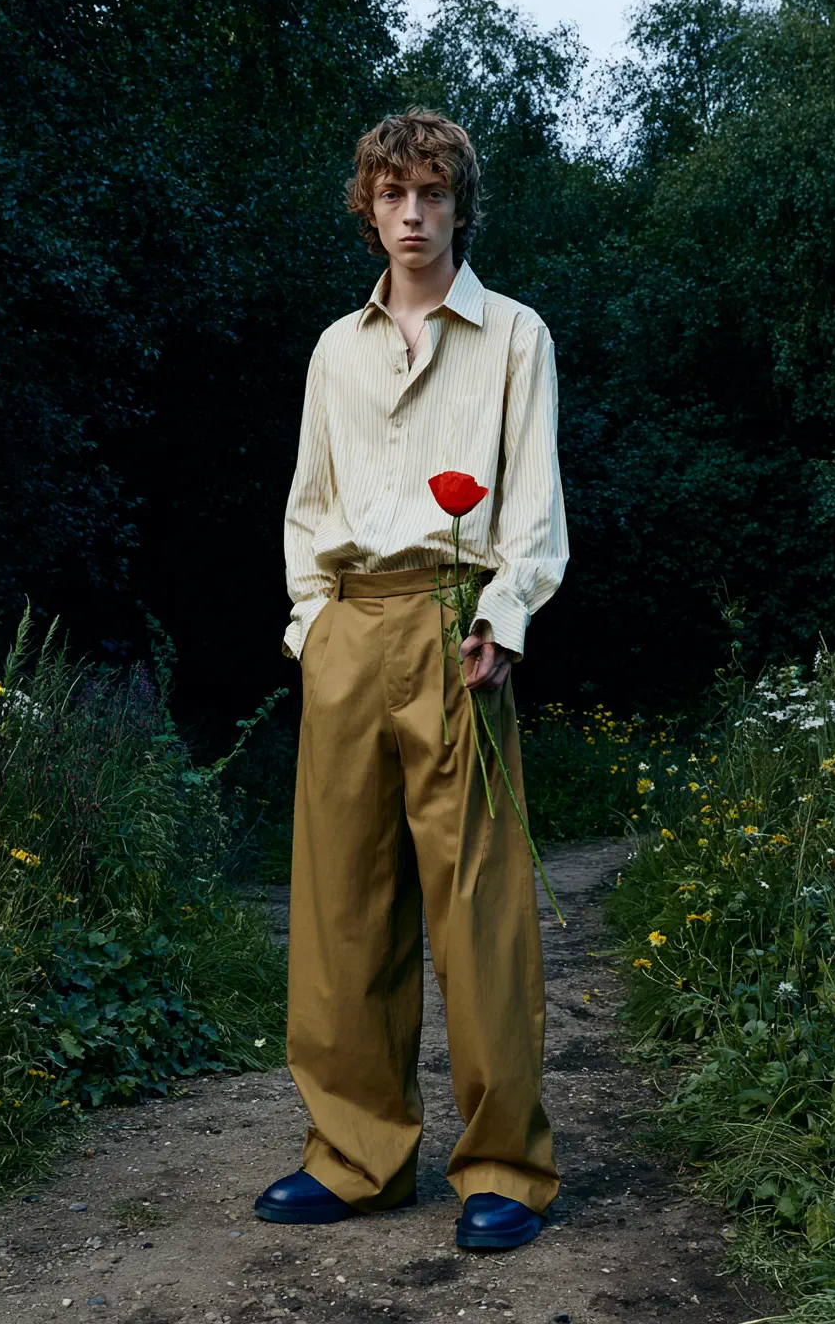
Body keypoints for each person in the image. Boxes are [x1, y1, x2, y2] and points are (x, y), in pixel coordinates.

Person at [254, 106, 569, 1251]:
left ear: (458, 203)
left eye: (432, 193)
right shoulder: (335, 349)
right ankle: (354, 1156)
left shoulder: (514, 336)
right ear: (367, 207)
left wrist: (503, 616)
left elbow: (530, 507)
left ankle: (503, 1168)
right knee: (340, 907)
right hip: (349, 628)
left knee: (476, 906)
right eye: (392, 194)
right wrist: (310, 634)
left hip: (458, 630)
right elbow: (306, 502)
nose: (412, 214)